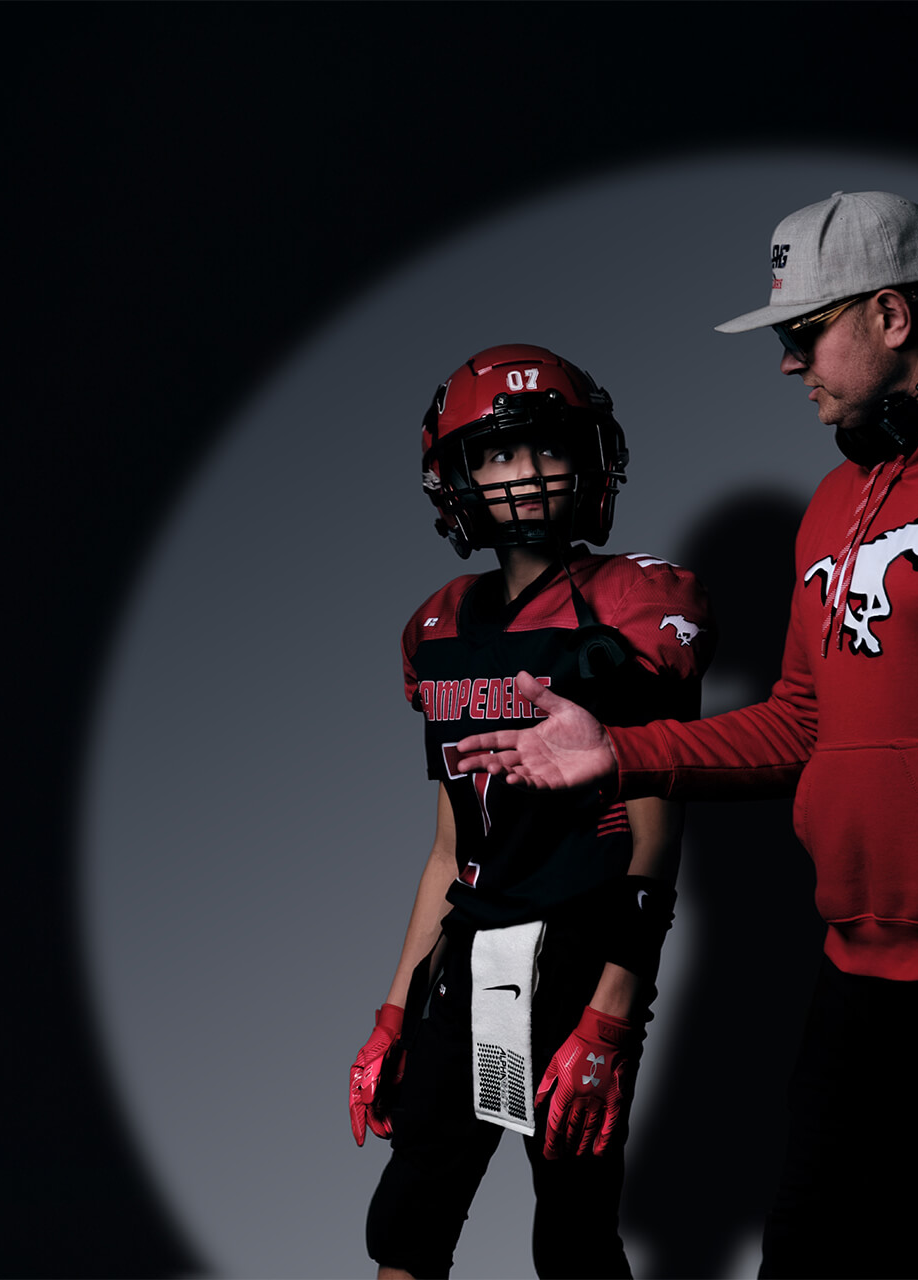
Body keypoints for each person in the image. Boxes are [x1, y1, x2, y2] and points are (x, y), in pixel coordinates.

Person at [457, 193, 918, 1277]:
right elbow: (804, 720)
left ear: (892, 315)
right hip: (860, 983)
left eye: (805, 333)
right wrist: (622, 750)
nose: (790, 363)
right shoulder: (840, 497)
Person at [349, 343, 716, 1279]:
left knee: (574, 1235)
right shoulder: (437, 624)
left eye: (547, 448)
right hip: (472, 966)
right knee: (410, 1220)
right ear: (456, 475)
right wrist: (393, 1012)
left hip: (578, 955)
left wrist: (612, 1018)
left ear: (588, 458)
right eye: (498, 455)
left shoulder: (631, 599)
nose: (525, 474)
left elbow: (654, 841)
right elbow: (448, 848)